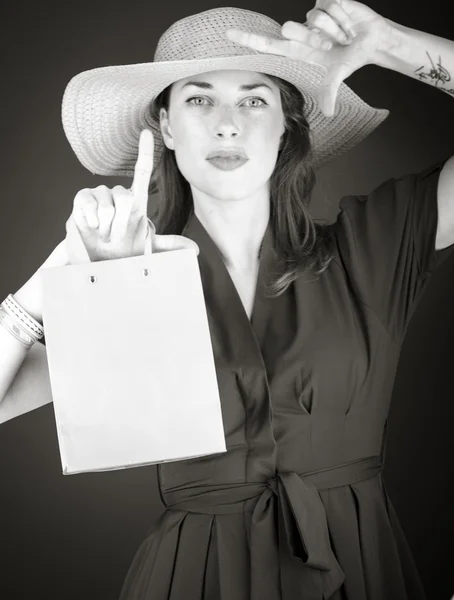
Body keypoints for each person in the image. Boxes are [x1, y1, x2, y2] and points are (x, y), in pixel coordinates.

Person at [1, 2, 454, 599]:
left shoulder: (373, 247)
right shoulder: (129, 288)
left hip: (364, 570)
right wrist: (61, 272)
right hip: (193, 578)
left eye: (254, 98)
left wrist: (385, 43)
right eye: (198, 98)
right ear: (163, 125)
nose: (226, 124)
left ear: (288, 123)